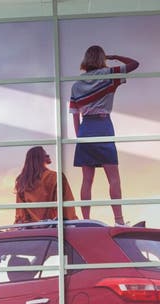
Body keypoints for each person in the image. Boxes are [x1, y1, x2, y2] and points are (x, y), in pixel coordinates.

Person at [69, 46, 139, 224]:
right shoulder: (109, 75)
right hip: (103, 125)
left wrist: (81, 139)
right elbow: (134, 64)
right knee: (113, 178)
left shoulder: (76, 85)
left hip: (85, 129)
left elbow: (75, 115)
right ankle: (119, 220)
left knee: (87, 179)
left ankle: (85, 220)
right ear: (102, 58)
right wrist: (115, 56)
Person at [14, 146, 78, 223]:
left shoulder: (22, 182)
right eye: (45, 153)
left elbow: (21, 213)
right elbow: (67, 205)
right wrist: (70, 222)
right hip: (53, 226)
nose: (48, 155)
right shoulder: (55, 177)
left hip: (31, 228)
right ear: (40, 158)